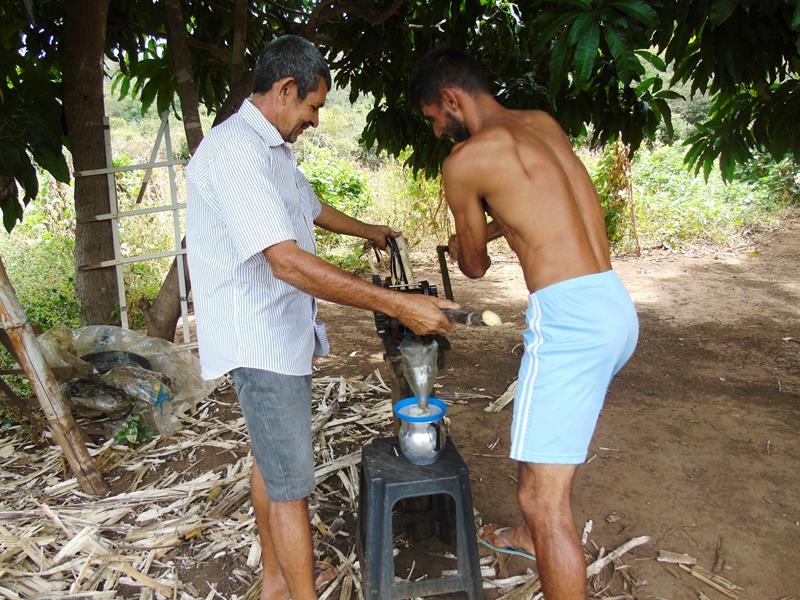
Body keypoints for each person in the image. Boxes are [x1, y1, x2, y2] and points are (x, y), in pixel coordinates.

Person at [186, 35, 457, 600]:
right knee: (291, 488)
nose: (314, 120)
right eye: (313, 107)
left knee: (272, 466)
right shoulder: (236, 152)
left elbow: (309, 208)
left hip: (281, 335)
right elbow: (285, 261)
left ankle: (276, 585)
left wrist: (369, 231)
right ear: (286, 90)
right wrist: (398, 303)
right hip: (259, 341)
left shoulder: (272, 151)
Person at [409, 47, 639, 599]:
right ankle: (527, 539)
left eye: (435, 120)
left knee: (543, 499)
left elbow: (473, 266)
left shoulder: (464, 163)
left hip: (570, 322)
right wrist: (492, 226)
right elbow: (542, 210)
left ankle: (539, 531)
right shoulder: (541, 123)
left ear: (450, 100)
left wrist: (467, 236)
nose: (440, 132)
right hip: (612, 303)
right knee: (547, 460)